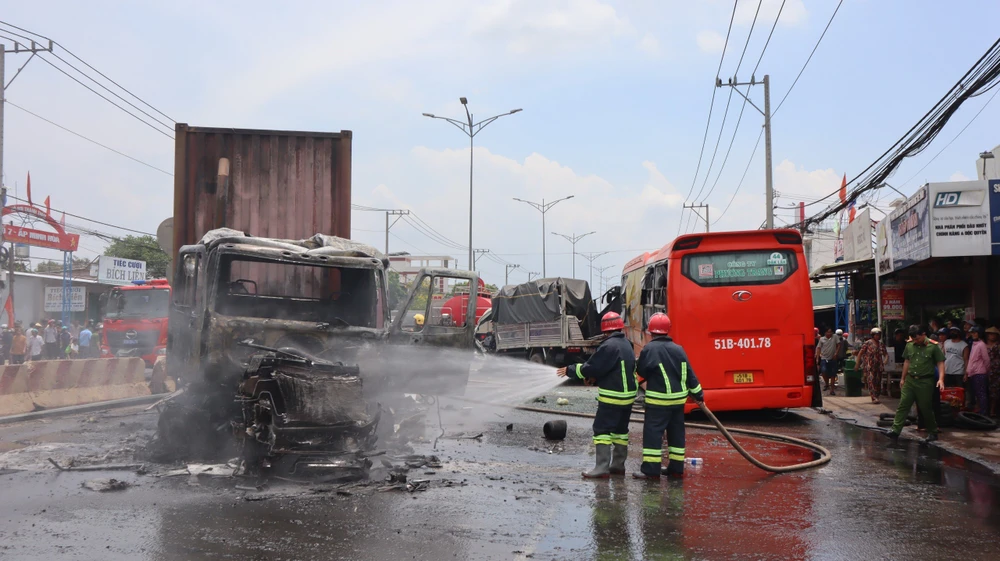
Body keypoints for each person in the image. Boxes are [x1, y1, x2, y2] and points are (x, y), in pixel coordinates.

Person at [557, 311, 637, 479]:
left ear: (605, 330)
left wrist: (570, 370)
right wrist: (595, 377)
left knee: (602, 430)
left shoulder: (608, 346)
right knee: (621, 431)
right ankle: (618, 466)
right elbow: (612, 367)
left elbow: (591, 367)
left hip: (612, 397)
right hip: (628, 396)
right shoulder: (627, 344)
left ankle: (601, 468)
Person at [632, 313, 704, 480]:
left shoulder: (649, 349)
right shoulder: (679, 349)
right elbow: (689, 375)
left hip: (658, 402)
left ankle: (651, 471)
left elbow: (641, 371)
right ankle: (676, 469)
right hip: (678, 402)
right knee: (676, 434)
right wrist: (698, 394)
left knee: (653, 435)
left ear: (651, 331)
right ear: (667, 330)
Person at [888, 325, 945, 443]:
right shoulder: (909, 345)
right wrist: (903, 378)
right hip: (910, 380)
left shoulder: (933, 346)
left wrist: (941, 379)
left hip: (925, 381)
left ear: (923, 334)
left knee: (925, 407)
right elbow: (907, 361)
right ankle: (895, 430)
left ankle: (933, 431)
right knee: (903, 404)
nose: (916, 341)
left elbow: (940, 362)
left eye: (918, 338)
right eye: (913, 339)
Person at [857, 328, 888, 404]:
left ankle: (877, 396)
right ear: (873, 335)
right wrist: (857, 363)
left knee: (878, 381)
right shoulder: (868, 343)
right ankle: (873, 397)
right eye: (877, 335)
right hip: (870, 366)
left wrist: (885, 361)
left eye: (879, 335)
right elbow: (860, 353)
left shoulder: (881, 344)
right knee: (871, 381)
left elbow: (886, 354)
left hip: (879, 366)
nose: (878, 336)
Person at [966, 326, 990, 416]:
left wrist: (985, 370)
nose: (973, 334)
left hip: (980, 373)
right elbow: (971, 359)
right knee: (976, 394)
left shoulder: (981, 344)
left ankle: (984, 413)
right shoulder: (974, 344)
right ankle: (980, 410)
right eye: (972, 333)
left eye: (975, 332)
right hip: (973, 373)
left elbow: (986, 360)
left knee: (981, 394)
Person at [817, 328, 839, 395]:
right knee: (823, 371)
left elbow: (838, 345)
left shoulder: (835, 337)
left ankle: (832, 390)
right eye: (828, 332)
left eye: (830, 332)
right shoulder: (821, 339)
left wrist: (836, 353)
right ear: (825, 333)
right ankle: (827, 384)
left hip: (833, 359)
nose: (829, 333)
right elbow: (819, 348)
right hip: (824, 358)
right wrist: (818, 358)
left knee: (833, 374)